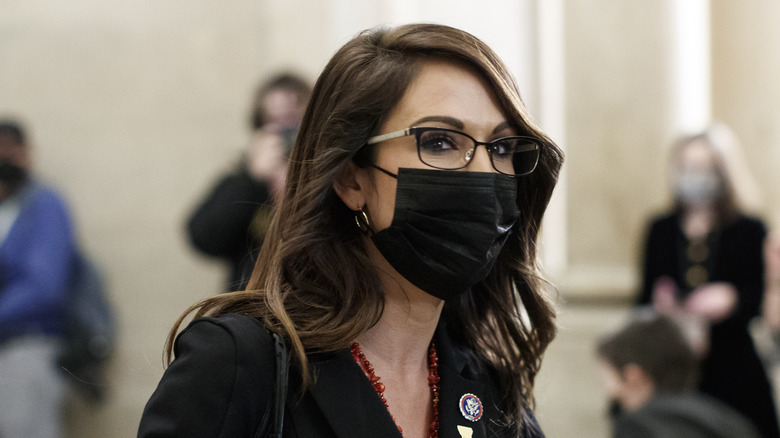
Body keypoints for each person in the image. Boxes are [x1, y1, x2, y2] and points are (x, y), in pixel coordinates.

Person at [139, 23, 564, 438]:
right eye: (439, 141)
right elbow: (204, 234)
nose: (485, 173)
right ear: (351, 179)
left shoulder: (493, 393)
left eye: (504, 147)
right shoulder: (239, 365)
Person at [637, 124, 780, 438]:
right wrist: (661, 304)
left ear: (724, 171)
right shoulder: (660, 229)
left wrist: (733, 299)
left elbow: (763, 301)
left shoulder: (749, 229)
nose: (695, 176)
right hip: (675, 368)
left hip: (734, 368)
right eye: (687, 168)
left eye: (704, 168)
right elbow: (642, 299)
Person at [187, 73, 311, 290]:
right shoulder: (241, 181)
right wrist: (252, 180)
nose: (283, 133)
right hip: (250, 304)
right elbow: (204, 238)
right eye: (273, 122)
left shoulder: (332, 178)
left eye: (292, 120)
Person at [0, 119, 76, 438]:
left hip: (25, 345)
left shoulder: (43, 204)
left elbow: (44, 287)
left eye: (10, 152)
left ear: (26, 155)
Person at [597, 309, 761, 438]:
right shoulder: (731, 421)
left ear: (633, 375)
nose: (610, 392)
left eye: (607, 377)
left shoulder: (638, 427)